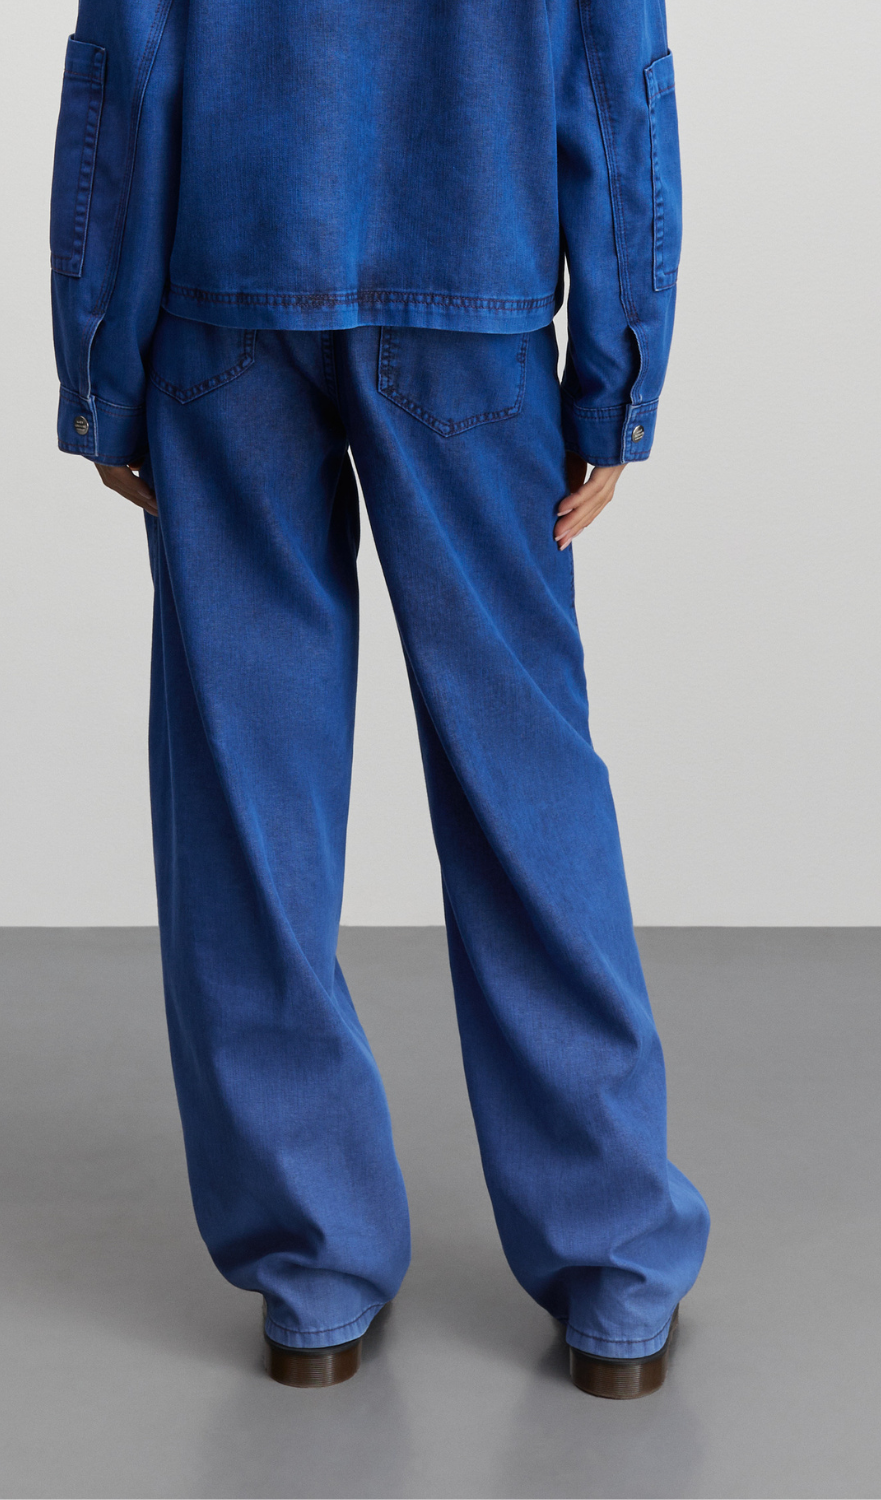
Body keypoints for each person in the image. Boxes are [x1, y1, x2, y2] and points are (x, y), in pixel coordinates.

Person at [50, 0, 709, 1398]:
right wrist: (620, 375)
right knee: (527, 786)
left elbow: (124, 57)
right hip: (474, 301)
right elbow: (615, 74)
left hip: (225, 304)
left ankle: (315, 1278)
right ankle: (614, 1278)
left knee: (250, 799)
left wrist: (101, 362)